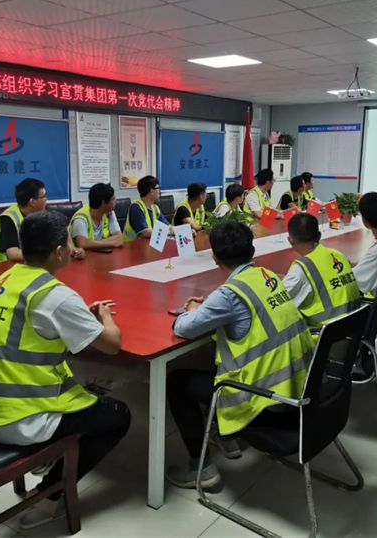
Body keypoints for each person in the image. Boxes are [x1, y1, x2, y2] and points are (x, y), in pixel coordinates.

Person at [0, 211, 131, 530]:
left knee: (83, 392)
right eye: (68, 242)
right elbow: (112, 344)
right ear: (58, 251)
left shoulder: (6, 279)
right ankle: (50, 494)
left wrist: (76, 317)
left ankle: (51, 458)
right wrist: (105, 318)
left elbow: (33, 328)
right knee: (118, 416)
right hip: (18, 418)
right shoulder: (57, 295)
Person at [166, 222, 313, 489]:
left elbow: (183, 328)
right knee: (220, 358)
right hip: (300, 388)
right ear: (252, 251)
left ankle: (202, 467)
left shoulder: (229, 295)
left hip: (267, 402)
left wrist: (193, 310)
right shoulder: (267, 276)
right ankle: (227, 438)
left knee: (177, 382)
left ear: (214, 257)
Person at [284, 213, 360, 333]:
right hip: (354, 326)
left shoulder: (301, 270)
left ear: (290, 240)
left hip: (324, 335)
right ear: (319, 236)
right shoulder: (337, 255)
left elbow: (279, 304)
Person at [0, 178, 84, 263]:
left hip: (32, 265)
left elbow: (62, 236)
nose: (46, 199)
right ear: (32, 202)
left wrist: (73, 249)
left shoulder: (44, 214)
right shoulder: (9, 218)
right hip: (3, 268)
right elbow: (12, 253)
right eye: (44, 196)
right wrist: (43, 256)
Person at [70, 183, 123, 250]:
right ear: (103, 203)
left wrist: (92, 243)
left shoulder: (109, 213)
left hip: (102, 253)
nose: (115, 200)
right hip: (83, 255)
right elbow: (82, 244)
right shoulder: (80, 218)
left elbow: (119, 237)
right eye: (113, 199)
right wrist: (111, 243)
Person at [122, 175, 171, 241]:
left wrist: (177, 230)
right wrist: (167, 232)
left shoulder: (155, 208)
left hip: (147, 244)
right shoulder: (136, 208)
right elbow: (145, 232)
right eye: (158, 188)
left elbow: (167, 226)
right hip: (132, 245)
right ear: (152, 191)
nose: (159, 191)